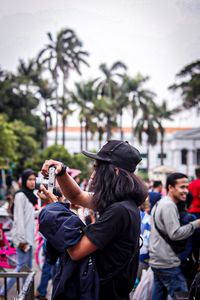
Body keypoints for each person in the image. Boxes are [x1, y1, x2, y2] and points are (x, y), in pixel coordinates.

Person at [40, 140, 148, 300]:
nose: (92, 175)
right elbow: (77, 196)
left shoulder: (119, 210)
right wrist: (62, 173)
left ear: (115, 171)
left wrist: (56, 208)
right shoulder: (121, 203)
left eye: (97, 168)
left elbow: (76, 251)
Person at [149, 172, 200, 300]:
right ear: (171, 188)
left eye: (187, 187)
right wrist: (196, 224)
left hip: (158, 260)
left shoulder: (161, 203)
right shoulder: (168, 205)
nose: (186, 191)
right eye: (182, 187)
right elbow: (175, 234)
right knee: (182, 295)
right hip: (168, 263)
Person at [0, 169, 37, 299]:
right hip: (23, 239)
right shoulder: (20, 195)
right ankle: (3, 292)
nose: (32, 182)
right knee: (21, 268)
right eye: (30, 179)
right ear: (24, 180)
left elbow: (30, 215)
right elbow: (19, 220)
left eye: (34, 179)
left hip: (29, 238)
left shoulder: (30, 196)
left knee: (26, 269)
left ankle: (25, 293)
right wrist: (22, 241)